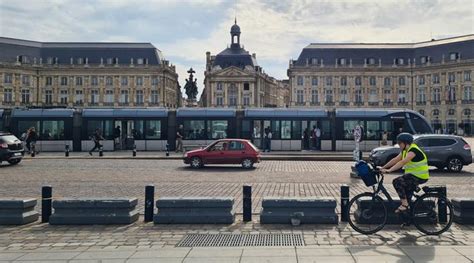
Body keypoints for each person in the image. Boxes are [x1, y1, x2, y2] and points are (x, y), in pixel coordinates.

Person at [379, 133, 429, 213]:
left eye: (400, 143)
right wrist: (383, 167)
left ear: (405, 143)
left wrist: (389, 170)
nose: (398, 145)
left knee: (397, 182)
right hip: (412, 176)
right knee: (407, 197)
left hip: (420, 176)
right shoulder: (405, 150)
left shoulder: (413, 150)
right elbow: (395, 160)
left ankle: (404, 205)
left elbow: (402, 162)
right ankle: (408, 219)